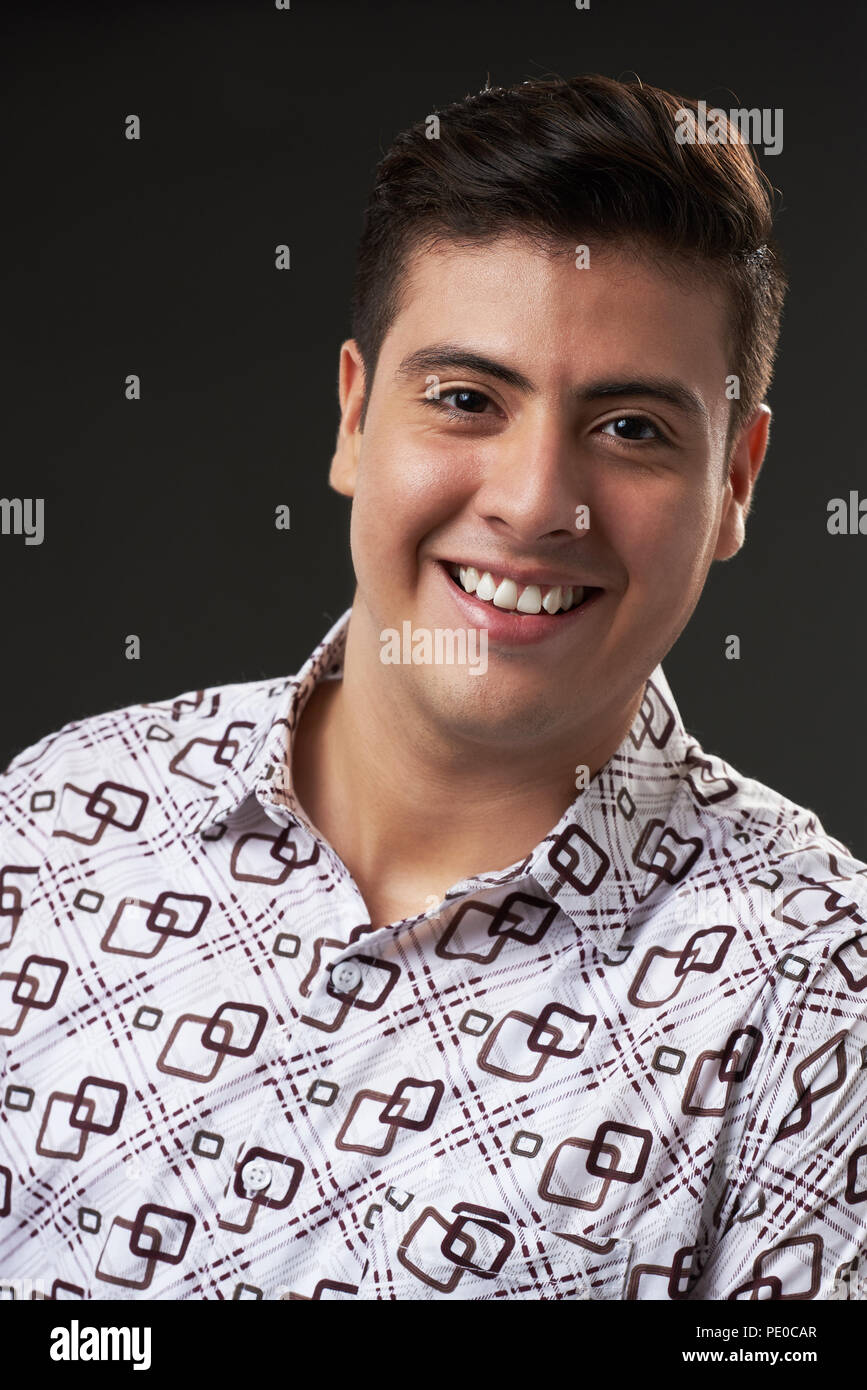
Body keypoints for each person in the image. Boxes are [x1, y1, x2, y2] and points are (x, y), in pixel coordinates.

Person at [1, 73, 865, 1303]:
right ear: (355, 417)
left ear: (737, 480)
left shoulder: (818, 987)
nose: (535, 502)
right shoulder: (57, 819)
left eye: (631, 428)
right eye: (467, 400)